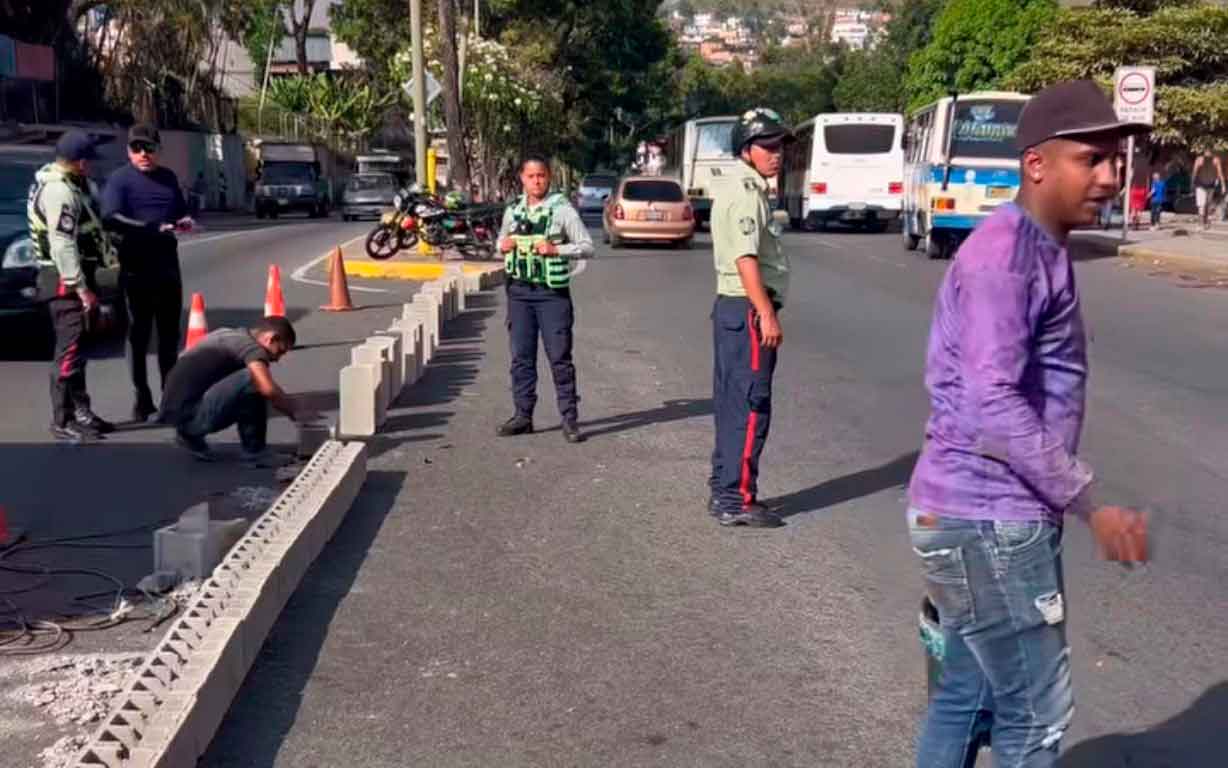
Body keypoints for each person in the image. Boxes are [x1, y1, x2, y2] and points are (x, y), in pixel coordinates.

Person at [907, 79, 1150, 768]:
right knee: (1035, 716)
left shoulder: (1039, 247)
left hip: (975, 515)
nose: (1109, 176)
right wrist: (1089, 503)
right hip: (989, 521)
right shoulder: (1007, 259)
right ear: (1038, 164)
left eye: (1115, 160)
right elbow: (993, 403)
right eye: (1091, 159)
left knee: (968, 694)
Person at [707, 108, 793, 529]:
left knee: (730, 403)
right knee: (749, 405)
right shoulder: (745, 191)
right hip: (747, 309)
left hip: (733, 309)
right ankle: (736, 498)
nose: (777, 154)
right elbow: (746, 258)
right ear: (747, 149)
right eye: (769, 146)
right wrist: (766, 314)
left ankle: (724, 488)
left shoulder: (743, 187)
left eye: (780, 146)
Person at [27, 130, 119, 443]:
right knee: (67, 353)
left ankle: (82, 412)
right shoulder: (60, 193)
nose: (91, 166)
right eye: (88, 161)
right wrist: (81, 289)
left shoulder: (66, 185)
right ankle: (62, 419)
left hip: (73, 278)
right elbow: (62, 244)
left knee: (77, 352)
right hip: (64, 283)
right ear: (79, 162)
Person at [495, 155, 593, 443]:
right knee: (521, 358)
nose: (536, 181)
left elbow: (587, 247)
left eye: (541, 176)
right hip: (519, 293)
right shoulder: (513, 211)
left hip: (551, 295)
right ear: (522, 179)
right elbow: (500, 242)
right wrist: (502, 244)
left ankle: (570, 420)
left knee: (560, 358)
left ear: (548, 177)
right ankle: (523, 416)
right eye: (530, 176)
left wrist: (556, 250)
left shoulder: (562, 210)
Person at [102, 123, 193, 423]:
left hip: (167, 268)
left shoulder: (167, 179)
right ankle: (142, 399)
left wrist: (185, 222)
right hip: (136, 269)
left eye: (148, 148)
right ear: (128, 151)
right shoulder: (119, 180)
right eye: (136, 148)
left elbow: (180, 212)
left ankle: (170, 397)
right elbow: (111, 218)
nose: (143, 154)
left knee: (169, 337)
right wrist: (149, 228)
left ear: (158, 150)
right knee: (138, 336)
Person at [157, 316, 314, 466]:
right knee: (253, 379)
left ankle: (189, 435)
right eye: (280, 351)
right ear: (271, 338)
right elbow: (268, 389)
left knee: (247, 382)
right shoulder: (252, 348)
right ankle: (256, 452)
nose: (277, 358)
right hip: (190, 416)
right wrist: (297, 412)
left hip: (177, 412)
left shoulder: (229, 335)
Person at [1192, 149, 1225, 231]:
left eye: (1209, 152)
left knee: (1207, 204)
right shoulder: (1199, 160)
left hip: (1210, 185)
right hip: (1200, 185)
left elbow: (1220, 173)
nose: (1208, 154)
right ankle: (1200, 224)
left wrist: (1223, 185)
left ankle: (1205, 222)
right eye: (1206, 152)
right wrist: (1192, 183)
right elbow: (1194, 172)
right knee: (1201, 205)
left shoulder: (1216, 160)